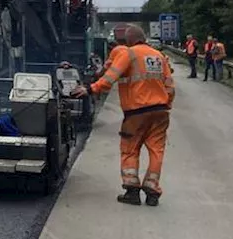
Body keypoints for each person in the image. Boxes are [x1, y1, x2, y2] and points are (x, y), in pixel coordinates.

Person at [70, 24, 175, 207]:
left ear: (129, 40)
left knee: (130, 150)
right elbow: (170, 87)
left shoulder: (128, 54)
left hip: (137, 112)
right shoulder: (159, 56)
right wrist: (166, 104)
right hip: (161, 111)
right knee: (156, 151)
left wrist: (90, 89)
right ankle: (152, 190)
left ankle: (132, 191)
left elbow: (111, 77)